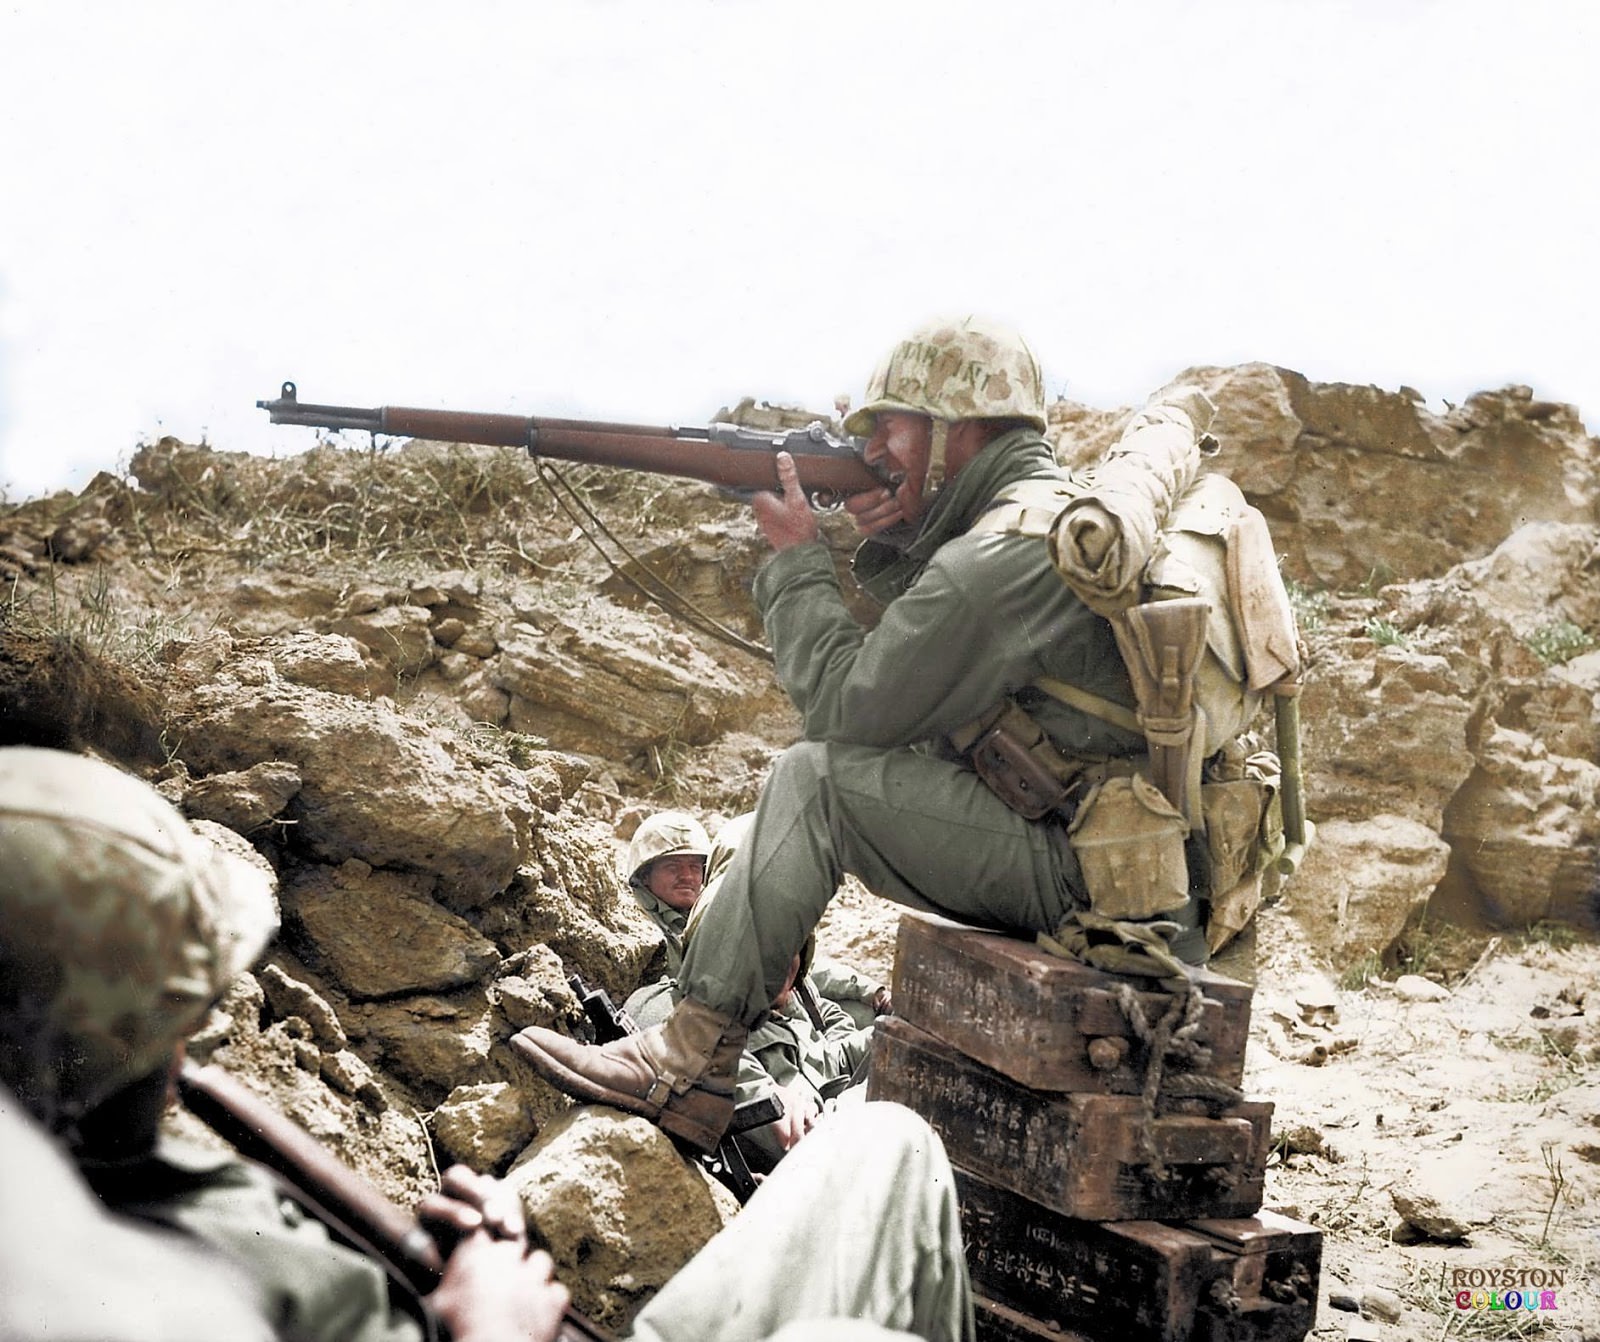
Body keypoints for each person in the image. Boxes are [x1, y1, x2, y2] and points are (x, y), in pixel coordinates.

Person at [514, 316, 1213, 1154]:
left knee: (817, 783)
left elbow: (846, 713)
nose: (874, 447)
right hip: (1121, 862)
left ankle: (690, 1058)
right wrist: (900, 534)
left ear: (958, 428)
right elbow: (918, 678)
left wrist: (796, 556)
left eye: (891, 425)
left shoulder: (994, 561)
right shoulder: (1031, 524)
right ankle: (695, 1058)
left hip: (1092, 879)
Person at [0, 746, 974, 1342]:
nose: (204, 1019)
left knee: (888, 1145)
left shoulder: (113, 1168)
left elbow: (854, 1028)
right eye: (178, 999)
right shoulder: (76, 1284)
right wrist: (489, 1324)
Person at [628, 809, 892, 1026]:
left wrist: (870, 990)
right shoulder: (641, 927)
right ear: (644, 875)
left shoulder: (718, 909)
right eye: (673, 867)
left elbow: (801, 969)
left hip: (775, 1009)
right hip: (731, 1025)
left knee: (865, 1012)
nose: (687, 876)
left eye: (695, 867)